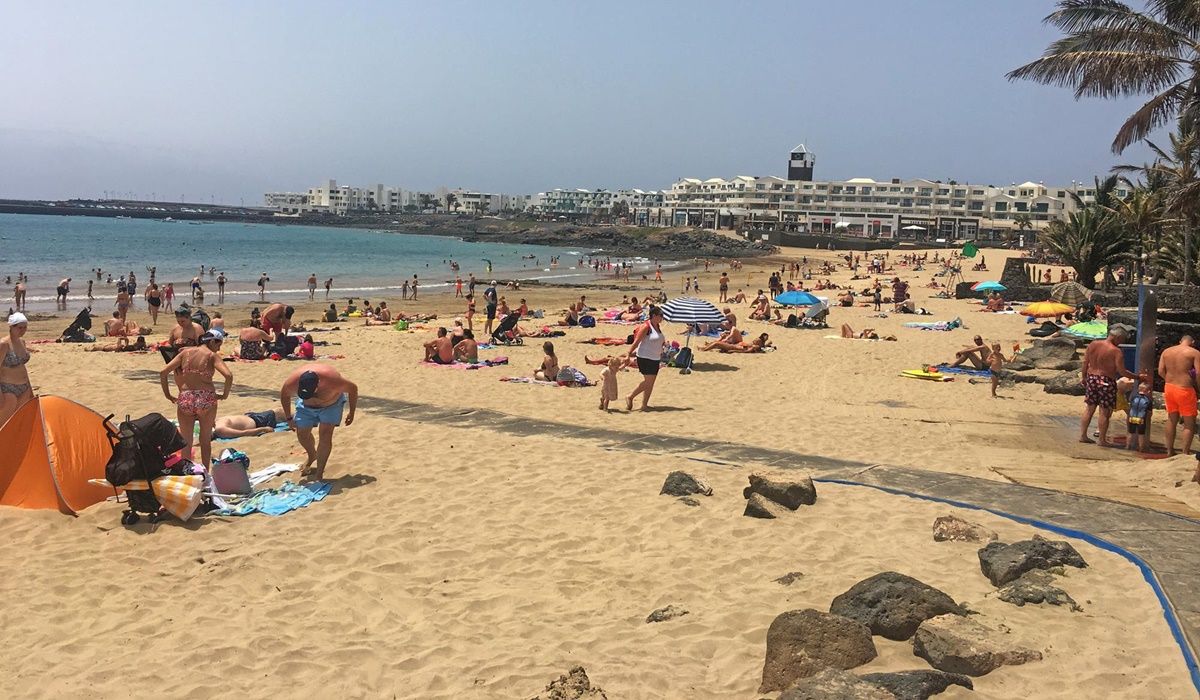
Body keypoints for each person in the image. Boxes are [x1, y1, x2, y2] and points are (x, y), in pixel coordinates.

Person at [159, 330, 232, 469]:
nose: (219, 348)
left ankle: (188, 472)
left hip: (186, 397)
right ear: (211, 341)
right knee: (205, 440)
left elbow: (163, 373)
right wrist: (224, 395)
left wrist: (167, 394)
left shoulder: (185, 353)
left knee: (186, 441)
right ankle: (205, 474)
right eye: (219, 344)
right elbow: (228, 375)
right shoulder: (212, 355)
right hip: (206, 398)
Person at [280, 365, 357, 481]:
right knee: (302, 434)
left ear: (318, 385)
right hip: (306, 407)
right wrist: (289, 418)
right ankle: (312, 455)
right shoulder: (292, 382)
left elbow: (353, 389)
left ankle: (319, 474)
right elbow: (284, 395)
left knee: (325, 435)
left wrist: (351, 412)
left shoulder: (333, 381)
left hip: (331, 406)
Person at [1080, 328, 1135, 447]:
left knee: (1089, 409)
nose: (1121, 342)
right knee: (1104, 412)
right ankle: (1102, 440)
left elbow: (1085, 362)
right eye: (1122, 339)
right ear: (1117, 337)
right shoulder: (1116, 351)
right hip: (1106, 380)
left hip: (1092, 378)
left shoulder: (1093, 344)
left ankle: (1083, 435)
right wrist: (1137, 377)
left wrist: (1084, 377)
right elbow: (1122, 371)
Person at [1157, 335, 1200, 456]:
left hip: (1169, 387)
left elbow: (1160, 371)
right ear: (1192, 342)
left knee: (1171, 419)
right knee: (1189, 422)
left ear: (1180, 341)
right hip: (1185, 389)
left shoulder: (1167, 351)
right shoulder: (1194, 352)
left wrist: (1170, 381)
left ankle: (1169, 450)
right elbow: (1198, 373)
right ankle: (1185, 452)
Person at [626, 306, 665, 411]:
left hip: (655, 358)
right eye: (661, 315)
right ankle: (630, 396)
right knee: (648, 382)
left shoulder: (657, 326)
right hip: (644, 357)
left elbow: (657, 340)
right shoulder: (646, 326)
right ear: (654, 316)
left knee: (650, 383)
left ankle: (644, 405)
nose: (662, 317)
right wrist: (628, 354)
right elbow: (637, 341)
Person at [0, 312, 33, 427]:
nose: (23, 331)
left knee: (18, 422)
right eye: (20, 328)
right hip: (8, 388)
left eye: (25, 327)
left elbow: (22, 367)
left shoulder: (22, 342)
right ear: (11, 327)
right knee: (4, 425)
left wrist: (30, 388)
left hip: (24, 387)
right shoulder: (4, 344)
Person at [213, 408, 286, 439]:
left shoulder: (214, 423)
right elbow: (243, 433)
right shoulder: (220, 429)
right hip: (258, 422)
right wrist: (262, 429)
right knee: (279, 412)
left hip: (252, 417)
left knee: (279, 412)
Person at [1127, 381, 1154, 453]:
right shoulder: (1148, 400)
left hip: (1132, 418)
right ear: (1148, 391)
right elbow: (1149, 412)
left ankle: (1127, 446)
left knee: (1130, 433)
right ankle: (1141, 448)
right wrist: (1148, 418)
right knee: (1141, 434)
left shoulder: (1134, 397)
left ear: (1139, 389)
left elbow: (1130, 407)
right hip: (1141, 419)